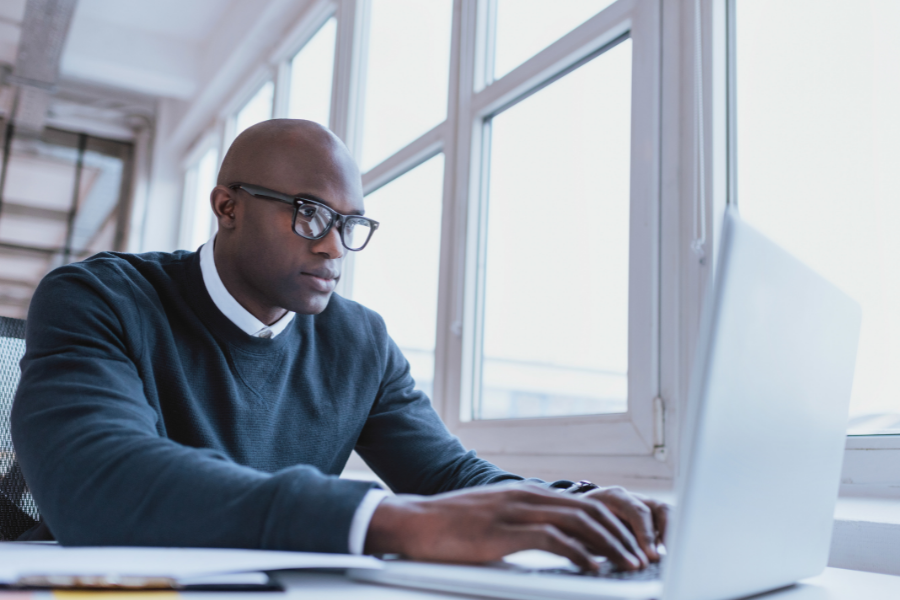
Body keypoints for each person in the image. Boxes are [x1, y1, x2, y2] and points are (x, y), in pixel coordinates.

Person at [12, 119, 668, 573]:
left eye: (349, 224)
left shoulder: (360, 341)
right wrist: (389, 521)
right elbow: (99, 483)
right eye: (309, 213)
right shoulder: (98, 298)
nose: (332, 245)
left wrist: (576, 504)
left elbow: (446, 478)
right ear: (227, 207)